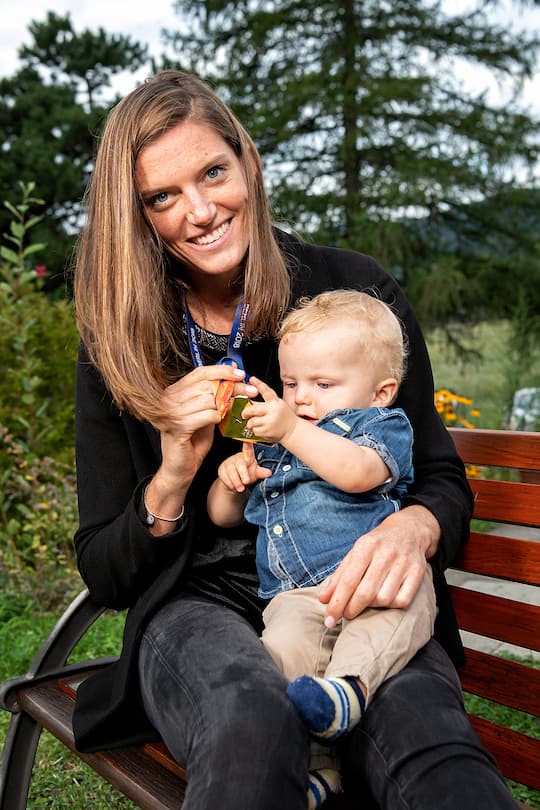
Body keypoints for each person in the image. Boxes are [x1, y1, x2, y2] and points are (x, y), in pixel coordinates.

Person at [71, 69, 518, 810]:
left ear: (247, 160)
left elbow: (438, 474)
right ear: (139, 215)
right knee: (250, 717)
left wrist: (415, 526)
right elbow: (108, 573)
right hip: (199, 606)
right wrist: (173, 479)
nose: (202, 210)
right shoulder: (119, 342)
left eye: (214, 172)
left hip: (358, 594)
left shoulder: (354, 294)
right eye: (164, 196)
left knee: (428, 746)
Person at [207, 290, 437, 807]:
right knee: (283, 657)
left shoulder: (379, 426)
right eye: (290, 383)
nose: (301, 398)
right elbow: (222, 518)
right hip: (295, 597)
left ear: (381, 392)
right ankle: (319, 768)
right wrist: (229, 479)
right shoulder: (277, 441)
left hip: (371, 578)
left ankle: (350, 686)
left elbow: (357, 474)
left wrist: (288, 429)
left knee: (403, 606)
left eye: (322, 384)